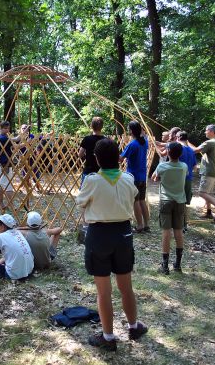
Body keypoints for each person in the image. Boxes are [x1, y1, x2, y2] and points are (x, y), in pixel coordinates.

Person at [76, 138, 148, 351]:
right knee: (126, 287)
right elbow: (133, 197)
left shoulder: (91, 180)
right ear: (118, 157)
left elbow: (80, 202)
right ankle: (134, 326)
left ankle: (108, 337)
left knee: (104, 291)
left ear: (96, 159)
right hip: (124, 234)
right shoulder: (128, 179)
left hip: (99, 235)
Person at [152, 142, 188, 274]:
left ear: (167, 152)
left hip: (166, 200)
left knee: (166, 231)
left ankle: (165, 265)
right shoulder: (184, 166)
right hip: (180, 201)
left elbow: (154, 178)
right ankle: (178, 264)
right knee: (178, 230)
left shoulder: (162, 166)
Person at [119, 121, 150, 233]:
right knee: (142, 200)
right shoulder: (144, 142)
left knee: (135, 201)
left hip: (133, 177)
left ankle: (140, 226)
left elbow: (120, 158)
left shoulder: (132, 144)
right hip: (142, 176)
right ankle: (146, 224)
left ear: (131, 131)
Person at [192, 124, 215, 221]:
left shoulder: (209, 142)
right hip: (214, 171)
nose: (205, 132)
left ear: (211, 131)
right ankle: (208, 213)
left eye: (206, 130)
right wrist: (211, 158)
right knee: (207, 193)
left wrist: (183, 144)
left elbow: (194, 151)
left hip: (208, 172)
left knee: (202, 193)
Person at [177, 131, 198, 231]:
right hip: (188, 179)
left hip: (178, 179)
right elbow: (195, 167)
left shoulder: (178, 149)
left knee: (177, 202)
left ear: (178, 138)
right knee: (184, 202)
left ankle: (179, 224)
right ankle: (184, 224)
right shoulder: (191, 150)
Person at [0, 121, 15, 210]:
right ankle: (10, 205)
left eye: (8, 128)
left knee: (1, 185)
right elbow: (16, 143)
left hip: (1, 163)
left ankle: (1, 202)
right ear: (1, 128)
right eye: (5, 128)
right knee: (8, 185)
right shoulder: (3, 138)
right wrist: (26, 138)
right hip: (4, 164)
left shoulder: (2, 136)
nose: (7, 130)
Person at [78, 117, 105, 185]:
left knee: (84, 192)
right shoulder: (106, 140)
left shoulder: (87, 139)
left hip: (89, 171)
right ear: (102, 127)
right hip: (102, 172)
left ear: (91, 126)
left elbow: (80, 154)